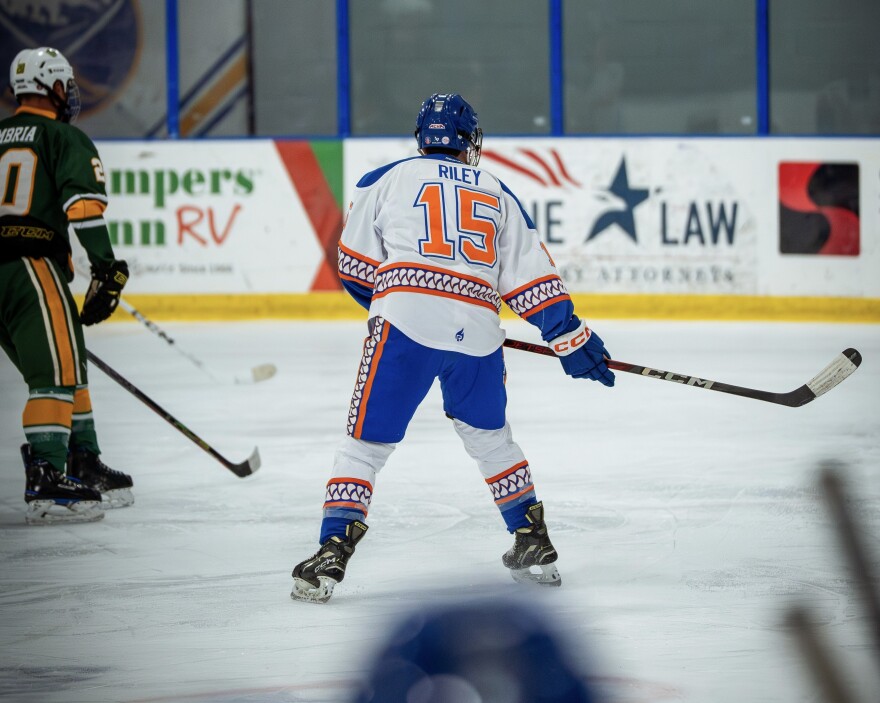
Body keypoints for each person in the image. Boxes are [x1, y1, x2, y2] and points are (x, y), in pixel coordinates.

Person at [291, 93, 614, 603]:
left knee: (364, 445)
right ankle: (531, 537)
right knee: (491, 439)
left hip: (404, 325)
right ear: (469, 141)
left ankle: (333, 550)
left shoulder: (386, 178)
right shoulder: (498, 189)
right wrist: (570, 338)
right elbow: (533, 279)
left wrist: (397, 300)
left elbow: (352, 265)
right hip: (479, 331)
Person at [0, 47, 133, 524]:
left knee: (66, 362)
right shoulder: (61, 136)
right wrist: (106, 267)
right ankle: (48, 479)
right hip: (29, 267)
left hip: (8, 272)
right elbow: (82, 207)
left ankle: (83, 460)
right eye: (67, 83)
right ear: (54, 87)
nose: (71, 92)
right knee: (53, 377)